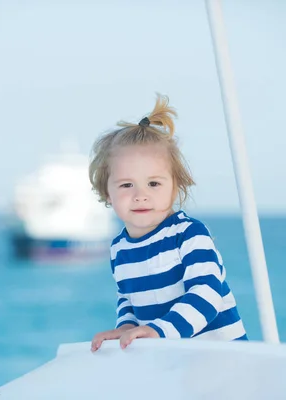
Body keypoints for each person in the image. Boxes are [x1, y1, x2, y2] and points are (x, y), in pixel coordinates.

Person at [89, 94, 247, 352]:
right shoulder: (120, 248)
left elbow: (207, 294)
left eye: (154, 183)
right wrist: (127, 327)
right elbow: (127, 299)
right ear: (107, 192)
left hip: (221, 358)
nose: (141, 194)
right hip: (176, 362)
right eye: (126, 185)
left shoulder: (188, 234)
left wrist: (159, 331)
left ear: (175, 188)